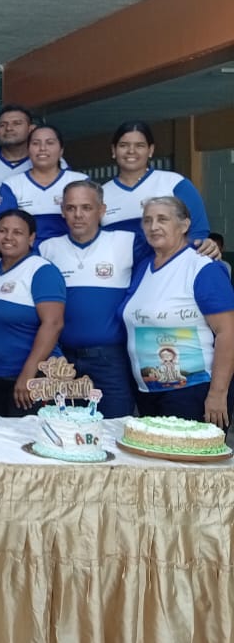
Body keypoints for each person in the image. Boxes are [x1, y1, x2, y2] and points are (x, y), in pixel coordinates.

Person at [123, 196, 234, 425]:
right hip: (149, 392)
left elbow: (228, 332)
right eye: (147, 220)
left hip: (193, 392)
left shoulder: (202, 266)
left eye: (162, 219)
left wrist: (218, 393)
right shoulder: (144, 267)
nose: (153, 226)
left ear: (184, 225)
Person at [37, 180, 137, 418]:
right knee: (62, 428)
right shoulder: (45, 249)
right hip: (60, 359)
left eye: (86, 207)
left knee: (114, 426)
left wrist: (203, 243)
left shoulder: (127, 242)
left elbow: (166, 255)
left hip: (110, 360)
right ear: (62, 211)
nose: (78, 215)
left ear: (102, 210)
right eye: (71, 208)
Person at [0, 209, 65, 416]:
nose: (9, 237)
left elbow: (53, 324)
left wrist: (28, 374)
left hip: (29, 379)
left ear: (31, 238)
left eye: (18, 232)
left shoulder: (42, 270)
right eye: (3, 231)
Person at [102, 120, 210, 260]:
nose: (131, 151)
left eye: (140, 145)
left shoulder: (175, 183)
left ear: (151, 150)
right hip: (117, 271)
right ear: (113, 150)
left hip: (167, 268)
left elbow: (198, 233)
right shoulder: (100, 194)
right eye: (123, 145)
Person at [0, 125, 89, 249]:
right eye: (36, 143)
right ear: (28, 150)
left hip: (73, 252)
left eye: (50, 143)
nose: (42, 148)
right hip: (28, 255)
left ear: (61, 150)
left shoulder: (80, 181)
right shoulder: (12, 184)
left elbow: (92, 223)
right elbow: (4, 229)